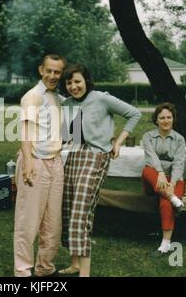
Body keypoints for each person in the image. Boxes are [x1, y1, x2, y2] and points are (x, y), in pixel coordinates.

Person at [59, 64, 141, 277]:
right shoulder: (67, 104)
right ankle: (74, 264)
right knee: (67, 208)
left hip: (96, 157)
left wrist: (119, 142)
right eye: (69, 82)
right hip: (75, 155)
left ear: (86, 79)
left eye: (77, 81)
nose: (73, 86)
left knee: (80, 212)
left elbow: (134, 114)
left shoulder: (101, 98)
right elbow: (72, 135)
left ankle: (84, 274)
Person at [13, 54, 66, 277]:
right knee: (29, 221)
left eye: (58, 72)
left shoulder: (58, 98)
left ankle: (45, 268)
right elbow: (24, 131)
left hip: (55, 162)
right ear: (41, 70)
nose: (53, 76)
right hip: (34, 161)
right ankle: (23, 272)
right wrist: (27, 162)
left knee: (53, 223)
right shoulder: (32, 96)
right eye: (49, 71)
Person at [141, 102, 186, 257]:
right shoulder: (148, 137)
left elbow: (179, 163)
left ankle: (165, 245)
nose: (166, 120)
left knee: (165, 203)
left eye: (169, 117)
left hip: (174, 179)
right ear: (156, 120)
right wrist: (160, 172)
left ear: (173, 119)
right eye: (162, 118)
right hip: (154, 178)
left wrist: (172, 183)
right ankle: (174, 199)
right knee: (147, 170)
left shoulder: (180, 139)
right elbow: (151, 158)